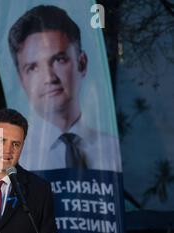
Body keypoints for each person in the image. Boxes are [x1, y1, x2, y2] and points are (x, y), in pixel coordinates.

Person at [8, 5, 121, 171]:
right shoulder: (10, 158)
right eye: (33, 68)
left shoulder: (113, 151)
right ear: (21, 79)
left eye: (59, 60)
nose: (49, 78)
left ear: (82, 63)